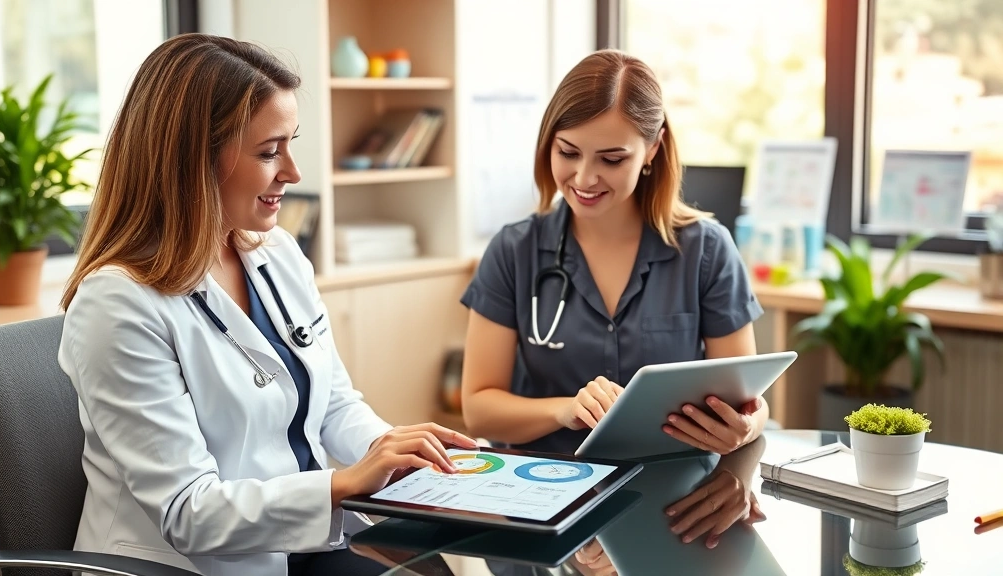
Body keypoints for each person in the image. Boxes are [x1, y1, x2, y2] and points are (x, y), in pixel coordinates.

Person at [59, 33, 475, 576]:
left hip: (301, 542)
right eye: (269, 152)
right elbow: (188, 512)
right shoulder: (117, 304)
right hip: (192, 563)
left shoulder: (274, 253)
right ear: (193, 161)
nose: (293, 173)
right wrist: (345, 482)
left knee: (433, 569)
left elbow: (331, 403)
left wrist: (393, 452)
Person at [459, 49, 766, 546]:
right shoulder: (514, 251)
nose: (583, 179)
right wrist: (565, 410)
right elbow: (479, 408)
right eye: (568, 152)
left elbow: (751, 403)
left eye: (612, 158)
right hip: (541, 506)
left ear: (652, 149)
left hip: (675, 510)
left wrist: (743, 433)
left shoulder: (706, 250)